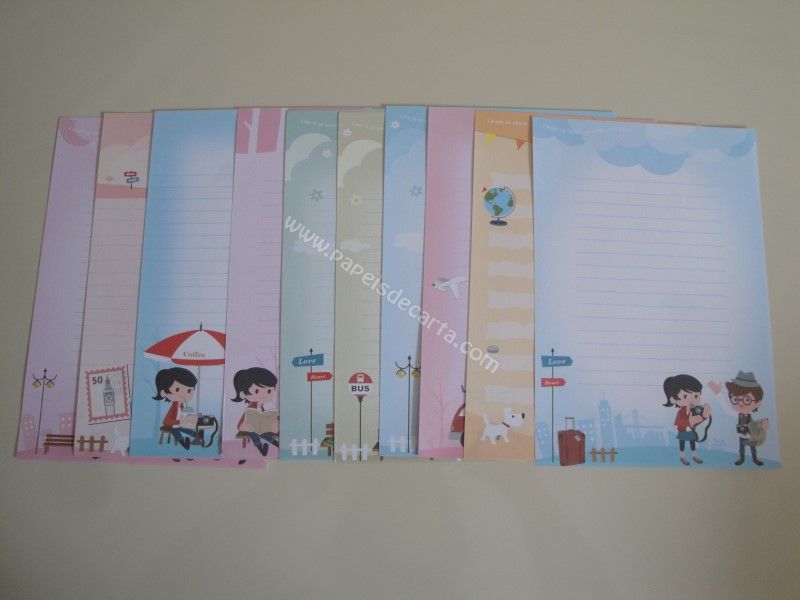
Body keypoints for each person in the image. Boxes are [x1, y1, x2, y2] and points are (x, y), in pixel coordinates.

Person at [662, 374, 711, 466]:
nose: (692, 399)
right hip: (683, 431)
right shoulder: (681, 411)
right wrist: (690, 421)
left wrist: (704, 416)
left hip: (691, 431)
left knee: (692, 444)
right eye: (685, 396)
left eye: (696, 396)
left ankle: (694, 455)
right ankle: (682, 456)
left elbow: (695, 422)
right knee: (682, 444)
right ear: (672, 399)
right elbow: (678, 422)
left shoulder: (693, 410)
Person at [231, 367, 279, 457]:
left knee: (265, 434)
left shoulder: (261, 408)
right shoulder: (250, 409)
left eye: (269, 391)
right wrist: (246, 426)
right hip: (252, 429)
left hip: (260, 429)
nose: (264, 395)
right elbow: (240, 424)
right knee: (254, 435)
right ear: (243, 394)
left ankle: (277, 444)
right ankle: (261, 449)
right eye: (257, 391)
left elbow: (264, 419)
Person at [726, 370, 769, 466]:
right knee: (741, 448)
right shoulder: (737, 414)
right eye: (735, 399)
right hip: (741, 434)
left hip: (750, 434)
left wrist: (763, 423)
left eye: (747, 399)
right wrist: (718, 394)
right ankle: (741, 459)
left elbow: (755, 423)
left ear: (757, 402)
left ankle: (754, 459)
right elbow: (727, 410)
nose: (740, 403)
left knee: (752, 448)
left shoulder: (750, 413)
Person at [153, 367, 198, 451]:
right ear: (164, 392)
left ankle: (195, 434)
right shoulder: (175, 406)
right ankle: (184, 442)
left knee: (184, 428)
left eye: (189, 391)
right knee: (175, 430)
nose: (184, 394)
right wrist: (179, 422)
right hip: (171, 424)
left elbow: (184, 415)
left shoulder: (182, 405)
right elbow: (169, 420)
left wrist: (187, 419)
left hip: (178, 424)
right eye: (177, 389)